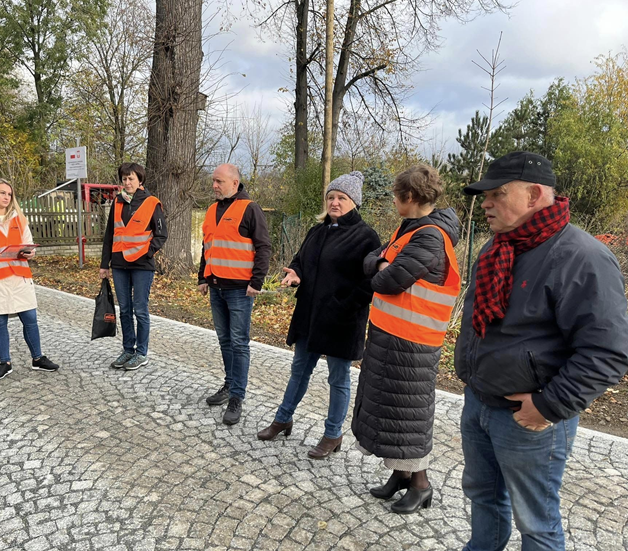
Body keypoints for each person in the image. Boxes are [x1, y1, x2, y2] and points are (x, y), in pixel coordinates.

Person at [454, 151, 628, 550]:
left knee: (537, 524)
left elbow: (608, 351)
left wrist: (549, 406)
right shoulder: (497, 248)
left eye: (497, 194)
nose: (485, 203)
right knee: (483, 498)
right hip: (479, 402)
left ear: (534, 195)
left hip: (529, 420)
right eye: (485, 196)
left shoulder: (582, 256)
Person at [352, 164, 461, 514]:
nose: (393, 201)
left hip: (412, 345)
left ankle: (421, 484)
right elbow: (371, 260)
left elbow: (387, 279)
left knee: (409, 416)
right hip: (393, 338)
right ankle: (400, 475)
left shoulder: (429, 237)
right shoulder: (410, 230)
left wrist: (382, 266)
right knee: (393, 414)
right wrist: (381, 263)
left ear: (409, 197)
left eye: (396, 196)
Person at [257, 171, 380, 458]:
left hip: (342, 320)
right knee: (299, 371)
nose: (335, 202)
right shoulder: (318, 230)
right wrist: (295, 273)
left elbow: (369, 284)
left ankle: (333, 434)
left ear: (354, 202)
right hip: (310, 315)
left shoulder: (366, 236)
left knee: (338, 380)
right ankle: (282, 418)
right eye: (331, 197)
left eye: (341, 198)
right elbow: (300, 260)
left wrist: (342, 306)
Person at [0, 179, 59, 381]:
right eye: (3, 193)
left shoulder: (19, 219)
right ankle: (5, 363)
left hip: (18, 276)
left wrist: (29, 253)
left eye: (9, 194)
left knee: (30, 319)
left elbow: (28, 244)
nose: (7, 197)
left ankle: (38, 358)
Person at [198, 163, 272, 425]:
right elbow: (207, 247)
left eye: (219, 181)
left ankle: (237, 396)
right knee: (224, 341)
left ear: (234, 183)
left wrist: (257, 281)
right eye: (213, 181)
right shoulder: (210, 211)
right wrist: (202, 277)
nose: (214, 186)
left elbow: (264, 246)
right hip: (216, 287)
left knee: (239, 343)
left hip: (240, 290)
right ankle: (229, 384)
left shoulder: (249, 208)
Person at [100, 162, 167, 371]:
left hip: (142, 266)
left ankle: (141, 352)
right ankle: (128, 349)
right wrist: (105, 264)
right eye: (124, 179)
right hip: (119, 264)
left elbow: (161, 234)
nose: (127, 182)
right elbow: (109, 234)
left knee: (140, 309)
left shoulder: (151, 203)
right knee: (125, 310)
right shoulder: (117, 202)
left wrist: (147, 253)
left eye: (131, 179)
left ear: (140, 180)